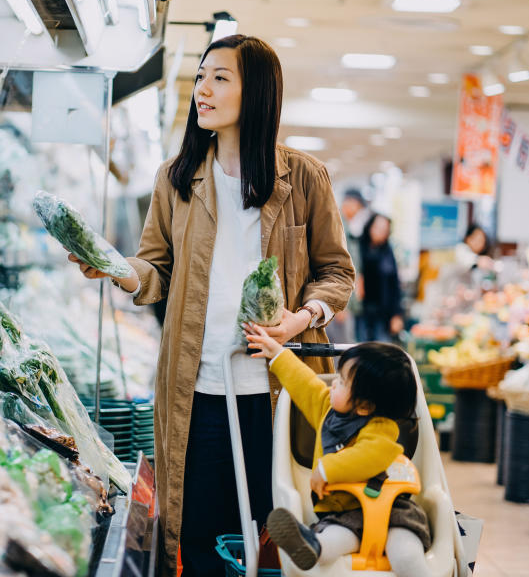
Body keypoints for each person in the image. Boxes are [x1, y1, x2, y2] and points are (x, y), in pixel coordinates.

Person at [67, 34, 355, 577]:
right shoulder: (176, 179)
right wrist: (119, 269)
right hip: (197, 389)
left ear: (258, 91)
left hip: (279, 390)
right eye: (200, 76)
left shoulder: (304, 178)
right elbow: (157, 271)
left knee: (284, 531)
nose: (203, 89)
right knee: (199, 534)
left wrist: (301, 318)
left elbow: (336, 272)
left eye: (220, 77)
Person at [244, 329, 431, 577]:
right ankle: (310, 546)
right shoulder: (325, 408)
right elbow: (304, 383)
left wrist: (326, 469)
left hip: (392, 512)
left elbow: (371, 455)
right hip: (343, 515)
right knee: (331, 541)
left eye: (342, 382)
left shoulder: (382, 429)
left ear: (365, 406)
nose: (333, 383)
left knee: (406, 554)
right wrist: (277, 354)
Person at [326, 189, 369, 344]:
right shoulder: (337, 224)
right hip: (340, 304)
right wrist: (339, 305)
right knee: (340, 351)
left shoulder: (345, 225)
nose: (358, 213)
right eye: (359, 208)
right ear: (350, 203)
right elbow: (336, 265)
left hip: (345, 303)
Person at [357, 213, 404, 343]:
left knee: (381, 348)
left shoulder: (388, 252)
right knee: (358, 348)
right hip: (359, 311)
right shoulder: (358, 247)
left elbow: (395, 284)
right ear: (370, 226)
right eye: (378, 227)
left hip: (382, 312)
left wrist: (397, 314)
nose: (380, 232)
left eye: (385, 230)